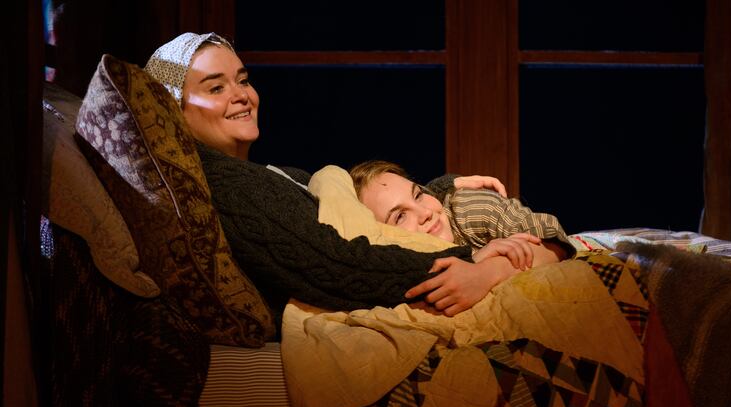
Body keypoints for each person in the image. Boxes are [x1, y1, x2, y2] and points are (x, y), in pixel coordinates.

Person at [144, 32, 534, 320]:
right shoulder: (228, 187)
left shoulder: (260, 176)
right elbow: (334, 265)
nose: (242, 95)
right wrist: (472, 260)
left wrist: (434, 193)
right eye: (216, 87)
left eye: (243, 80)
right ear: (174, 108)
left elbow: (349, 210)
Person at [350, 160, 575, 274]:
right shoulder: (393, 266)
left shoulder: (468, 208)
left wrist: (482, 273)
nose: (426, 213)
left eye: (418, 195)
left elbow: (552, 241)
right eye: (399, 217)